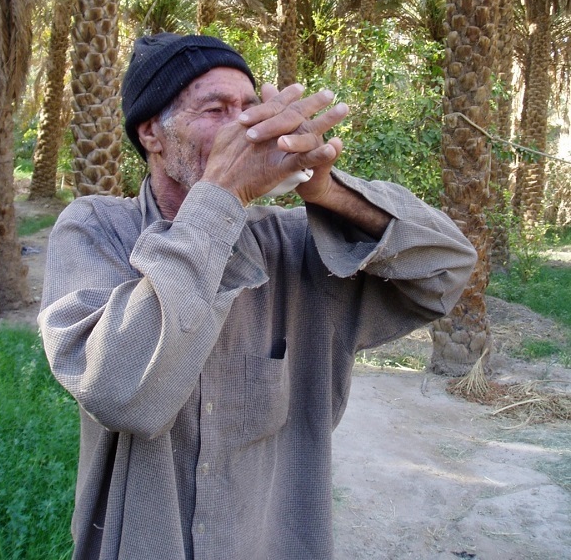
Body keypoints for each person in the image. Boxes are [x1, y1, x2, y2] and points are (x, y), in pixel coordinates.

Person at [39, 32, 477, 560]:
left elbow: (449, 268)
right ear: (152, 133)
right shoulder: (95, 229)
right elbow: (121, 389)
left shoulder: (293, 244)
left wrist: (326, 190)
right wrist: (220, 197)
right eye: (216, 109)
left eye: (250, 107)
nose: (244, 125)